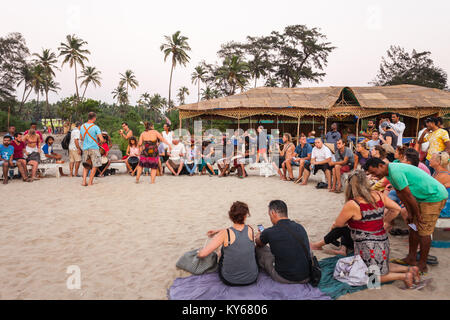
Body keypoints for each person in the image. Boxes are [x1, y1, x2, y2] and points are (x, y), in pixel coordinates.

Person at [330, 170, 419, 288]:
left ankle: (404, 276)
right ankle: (411, 269)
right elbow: (396, 209)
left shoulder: (353, 204)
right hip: (382, 240)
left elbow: (338, 224)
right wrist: (384, 221)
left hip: (366, 246)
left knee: (370, 278)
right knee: (382, 265)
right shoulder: (379, 195)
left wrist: (336, 225)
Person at [364, 158, 448, 273]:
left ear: (381, 166)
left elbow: (407, 194)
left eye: (374, 172)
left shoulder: (394, 171)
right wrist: (410, 212)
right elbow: (401, 193)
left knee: (424, 231)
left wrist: (417, 214)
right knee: (413, 227)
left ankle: (422, 266)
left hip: (433, 198)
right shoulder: (389, 173)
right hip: (421, 198)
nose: (373, 176)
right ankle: (411, 258)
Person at [198, 201, 258, 286]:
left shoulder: (225, 233)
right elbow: (237, 231)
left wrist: (199, 252)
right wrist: (217, 231)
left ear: (230, 216)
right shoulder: (250, 229)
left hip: (230, 279)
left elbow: (203, 254)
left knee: (221, 252)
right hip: (252, 278)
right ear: (245, 216)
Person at [255, 200, 311, 284]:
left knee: (260, 249)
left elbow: (258, 243)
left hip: (285, 277)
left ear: (273, 213)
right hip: (307, 276)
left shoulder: (270, 232)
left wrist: (259, 235)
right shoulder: (299, 227)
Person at [80, 112, 105, 186]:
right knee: (95, 165)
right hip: (94, 148)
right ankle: (90, 182)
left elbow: (81, 138)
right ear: (94, 118)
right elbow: (101, 139)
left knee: (86, 165)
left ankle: (84, 182)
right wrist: (101, 141)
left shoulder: (82, 126)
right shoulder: (96, 127)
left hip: (85, 148)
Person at [429, 152, 450, 218]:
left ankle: (413, 228)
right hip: (438, 203)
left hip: (443, 209)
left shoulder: (443, 175)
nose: (429, 159)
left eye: (432, 158)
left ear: (438, 162)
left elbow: (431, 192)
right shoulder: (437, 173)